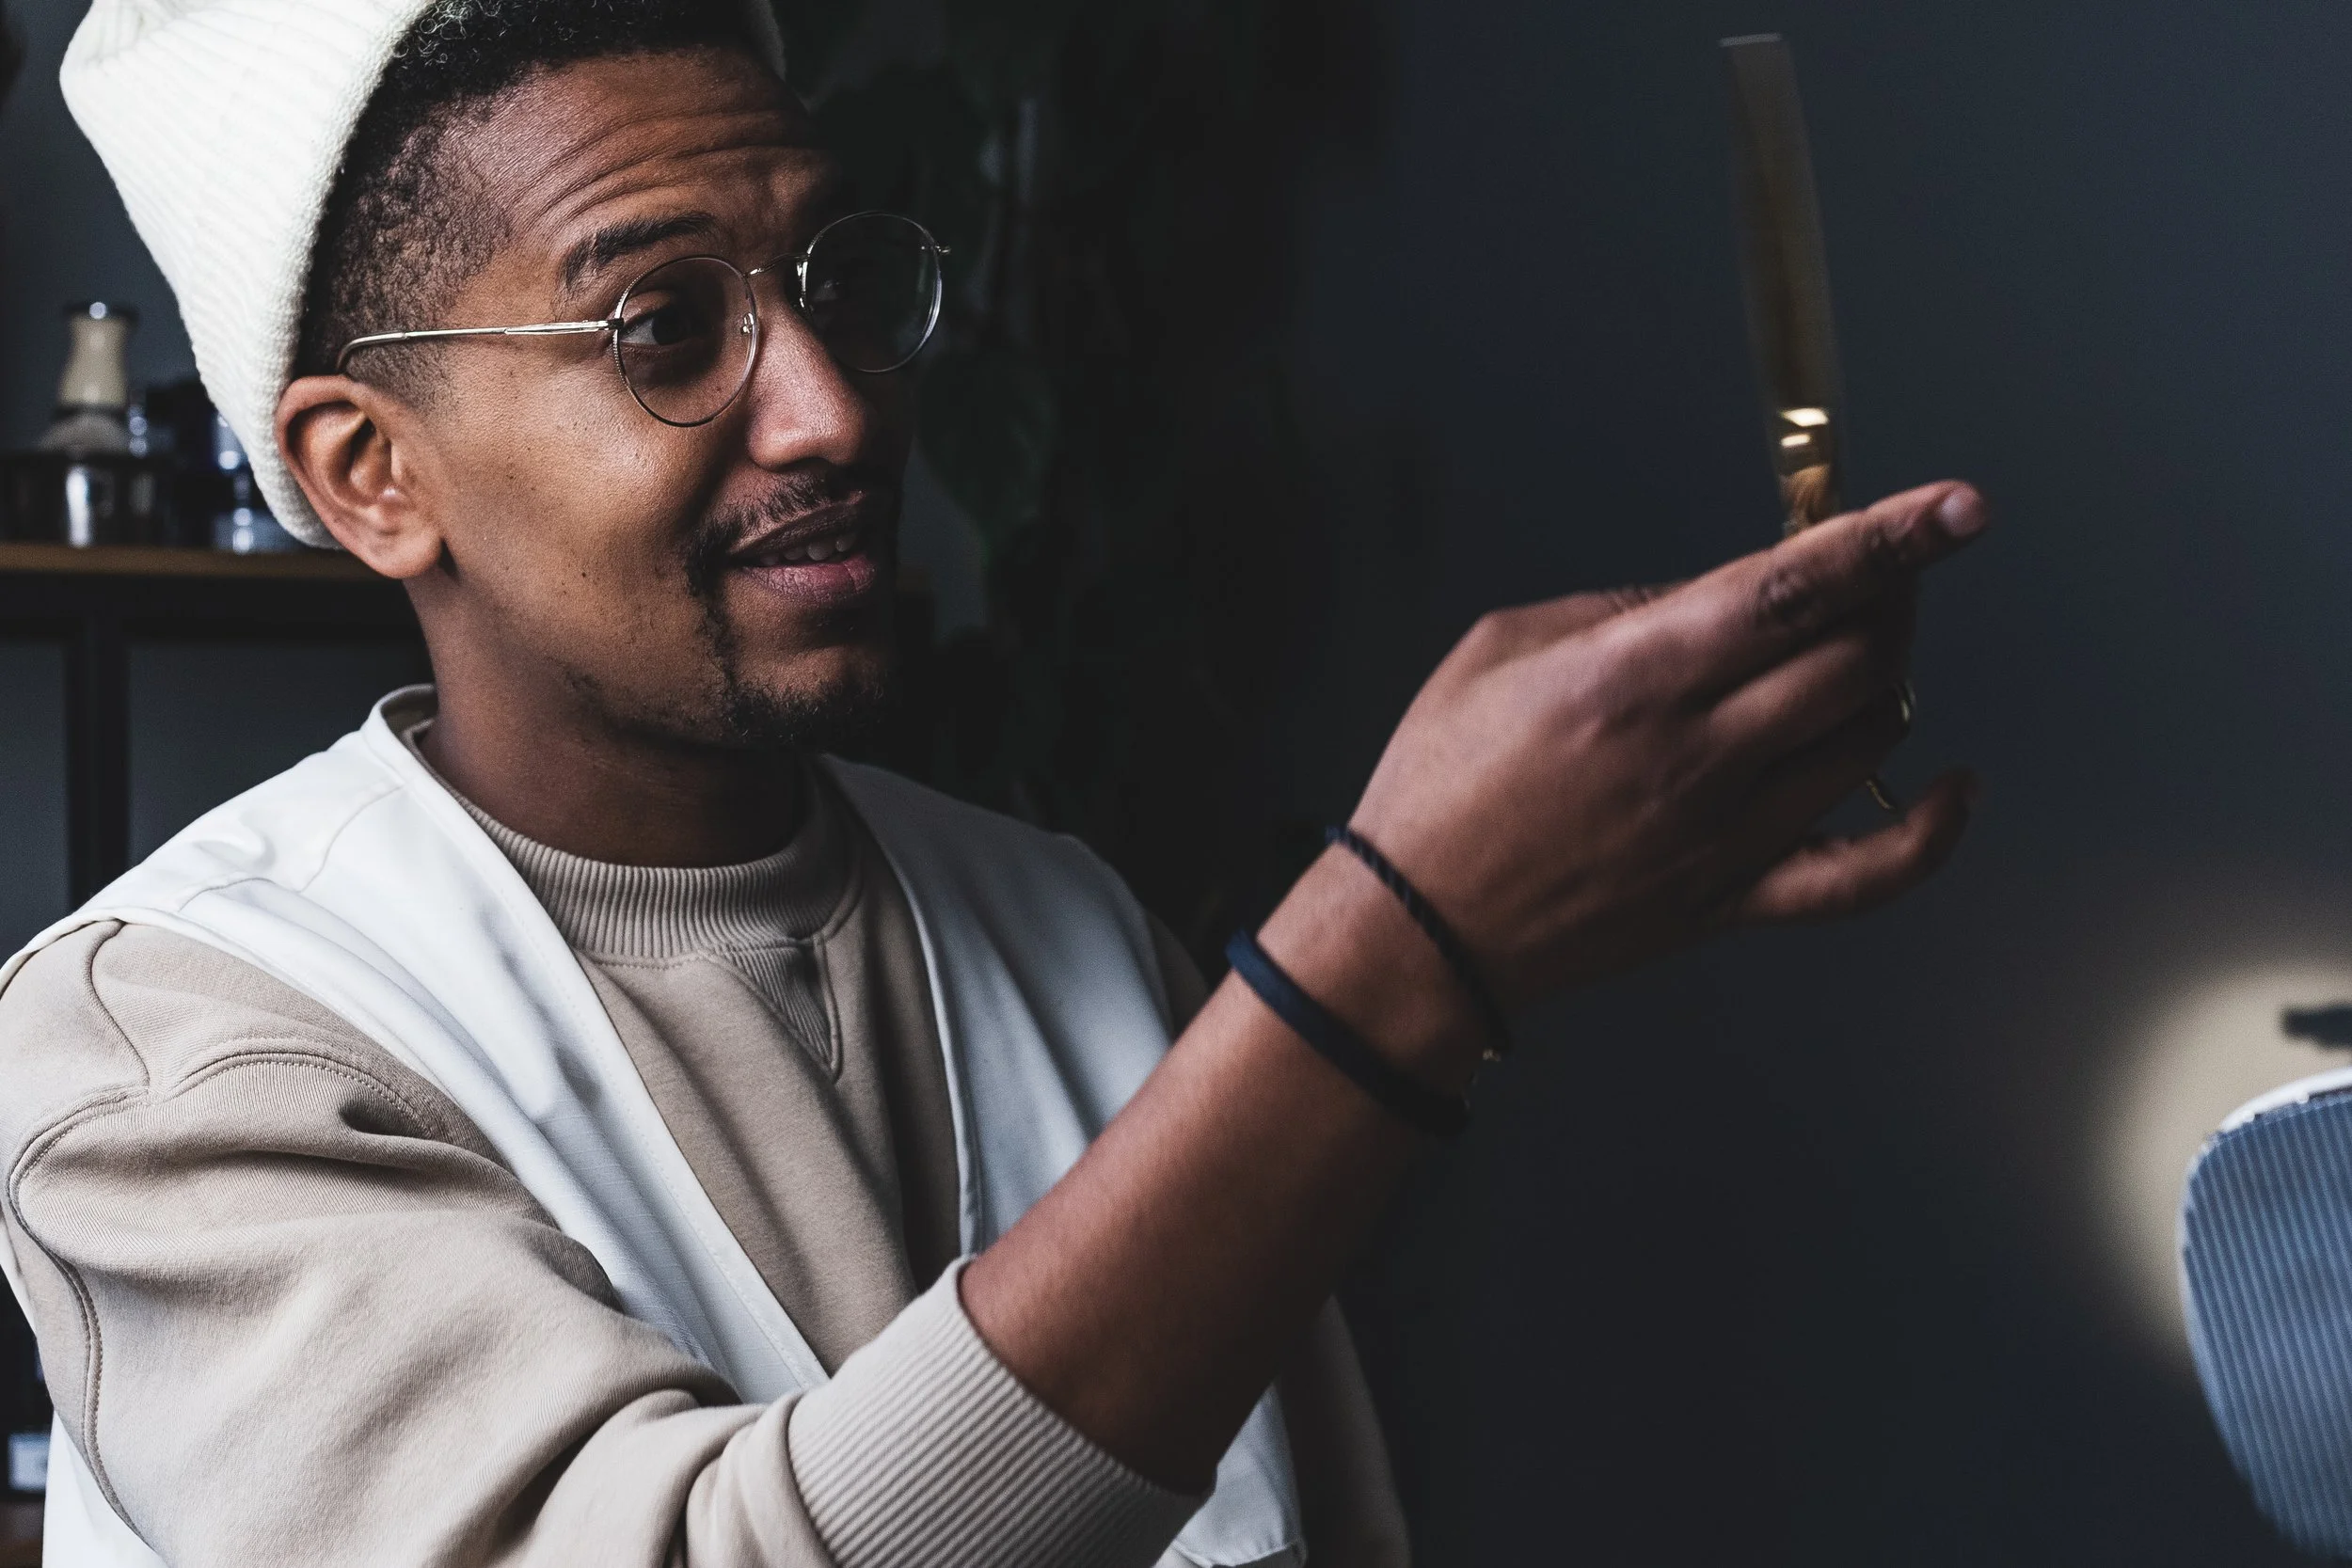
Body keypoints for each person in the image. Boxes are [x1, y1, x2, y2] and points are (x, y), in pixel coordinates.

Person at [0, 2, 1986, 1564]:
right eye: (664, 326)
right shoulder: (170, 1051)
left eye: (833, 280)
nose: (835, 409)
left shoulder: (1067, 929)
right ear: (372, 474)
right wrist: (1398, 955)